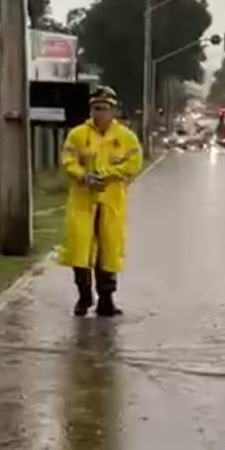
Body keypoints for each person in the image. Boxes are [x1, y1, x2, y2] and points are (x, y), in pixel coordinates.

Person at [59, 86, 143, 317]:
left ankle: (107, 298)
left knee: (108, 250)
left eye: (104, 109)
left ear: (113, 110)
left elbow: (134, 164)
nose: (100, 113)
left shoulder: (126, 137)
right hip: (82, 202)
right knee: (80, 250)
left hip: (111, 202)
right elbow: (68, 160)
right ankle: (84, 297)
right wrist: (83, 175)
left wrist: (108, 174)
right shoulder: (78, 135)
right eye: (96, 108)